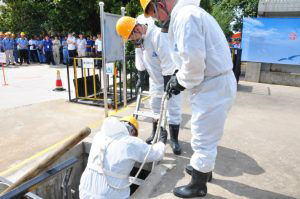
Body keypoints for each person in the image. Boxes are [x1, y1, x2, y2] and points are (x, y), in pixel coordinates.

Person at [140, 0, 237, 197]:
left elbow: (193, 65)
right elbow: (186, 58)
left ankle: (198, 186)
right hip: (211, 83)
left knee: (203, 136)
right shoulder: (185, 15)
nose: (156, 18)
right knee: (207, 132)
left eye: (155, 12)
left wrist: (179, 81)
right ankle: (203, 169)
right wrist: (179, 75)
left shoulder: (186, 17)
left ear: (162, 2)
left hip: (212, 85)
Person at [116, 15, 183, 155]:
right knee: (155, 108)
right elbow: (140, 60)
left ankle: (174, 140)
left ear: (138, 28)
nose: (132, 41)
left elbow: (168, 62)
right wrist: (141, 77)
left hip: (170, 78)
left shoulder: (158, 36)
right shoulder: (139, 40)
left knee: (173, 109)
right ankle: (157, 134)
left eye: (132, 38)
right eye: (129, 39)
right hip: (155, 80)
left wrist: (168, 85)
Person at [79, 116, 166, 199]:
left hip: (84, 192)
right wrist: (162, 141)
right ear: (132, 131)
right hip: (111, 196)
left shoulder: (99, 136)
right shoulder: (131, 142)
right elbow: (155, 153)